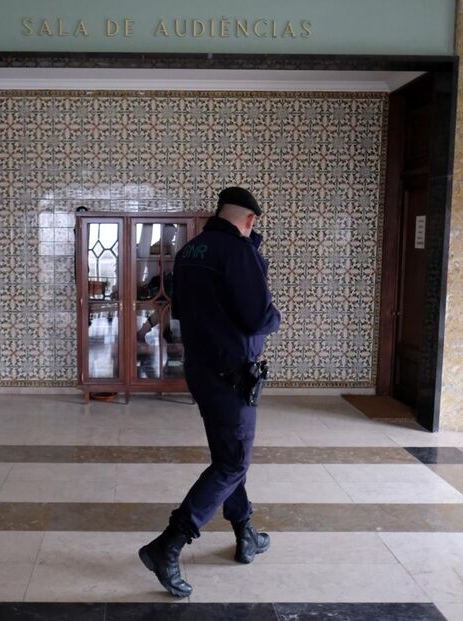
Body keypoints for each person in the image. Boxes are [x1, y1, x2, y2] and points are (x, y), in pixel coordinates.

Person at [138, 187, 282, 598]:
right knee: (233, 462)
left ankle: (245, 531)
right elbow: (258, 317)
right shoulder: (238, 253)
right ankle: (168, 544)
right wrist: (276, 316)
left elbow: (182, 310)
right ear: (251, 219)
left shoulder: (191, 251)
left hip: (201, 372)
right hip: (234, 374)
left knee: (229, 455)